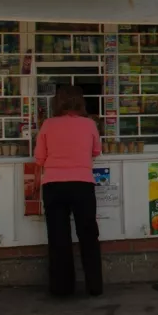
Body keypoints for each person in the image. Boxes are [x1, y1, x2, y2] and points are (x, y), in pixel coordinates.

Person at [34, 85, 103, 298]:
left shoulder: (48, 124)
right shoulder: (89, 124)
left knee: (58, 237)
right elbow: (96, 151)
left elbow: (39, 158)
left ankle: (62, 288)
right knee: (88, 235)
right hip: (82, 184)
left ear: (57, 103)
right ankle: (94, 286)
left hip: (54, 185)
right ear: (80, 102)